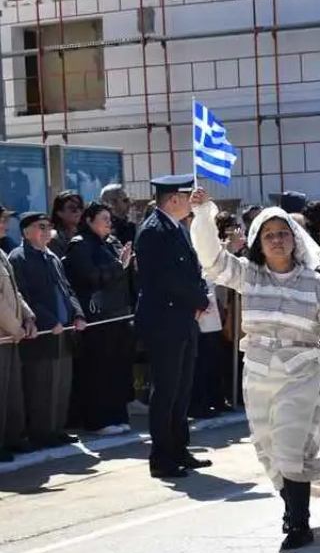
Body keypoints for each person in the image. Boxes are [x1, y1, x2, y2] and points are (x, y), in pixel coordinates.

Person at [190, 187, 320, 551]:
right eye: (268, 235)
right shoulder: (249, 276)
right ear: (258, 241)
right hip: (257, 374)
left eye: (283, 233)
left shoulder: (319, 285)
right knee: (269, 450)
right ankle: (293, 508)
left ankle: (297, 523)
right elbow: (211, 260)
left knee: (288, 446)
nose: (277, 240)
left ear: (295, 239)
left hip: (300, 374)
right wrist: (204, 214)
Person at [134, 175, 212, 479]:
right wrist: (200, 299)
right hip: (164, 321)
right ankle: (161, 456)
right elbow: (167, 278)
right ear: (174, 199)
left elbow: (191, 270)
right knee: (165, 390)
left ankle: (179, 448)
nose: (192, 199)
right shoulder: (155, 231)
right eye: (187, 195)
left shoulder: (174, 227)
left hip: (182, 319)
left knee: (181, 389)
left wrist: (199, 297)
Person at [9, 211, 86, 449]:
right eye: (41, 227)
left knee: (61, 383)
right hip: (42, 334)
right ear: (26, 232)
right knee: (41, 385)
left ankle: (56, 428)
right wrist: (48, 319)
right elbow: (24, 295)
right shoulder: (19, 258)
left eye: (48, 227)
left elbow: (67, 290)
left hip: (64, 331)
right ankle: (41, 432)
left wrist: (78, 314)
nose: (46, 231)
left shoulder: (51, 256)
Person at [63, 202, 135, 435]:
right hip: (96, 317)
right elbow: (90, 276)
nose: (108, 222)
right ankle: (98, 420)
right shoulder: (80, 245)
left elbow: (123, 276)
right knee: (97, 369)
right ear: (89, 221)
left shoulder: (111, 242)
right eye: (103, 218)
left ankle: (116, 415)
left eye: (109, 218)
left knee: (117, 368)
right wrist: (119, 265)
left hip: (117, 315)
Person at [0, 222, 37, 461]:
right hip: (4, 334)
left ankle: (11, 438)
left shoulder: (1, 252)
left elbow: (14, 292)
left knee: (11, 389)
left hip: (11, 334)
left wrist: (28, 316)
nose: (5, 223)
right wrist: (15, 327)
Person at [48, 191, 83, 258]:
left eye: (80, 207)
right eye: (72, 208)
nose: (78, 211)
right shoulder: (53, 239)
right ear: (60, 213)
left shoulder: (85, 235)